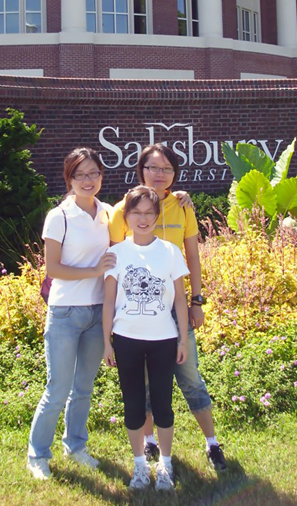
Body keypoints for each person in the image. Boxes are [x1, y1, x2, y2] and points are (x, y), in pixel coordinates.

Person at [109, 144, 227, 471]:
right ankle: (149, 442)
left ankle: (212, 443)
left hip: (175, 308)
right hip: (138, 309)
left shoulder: (183, 207)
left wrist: (197, 300)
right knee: (145, 381)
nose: (159, 174)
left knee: (190, 376)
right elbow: (114, 262)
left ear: (174, 174)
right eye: (152, 168)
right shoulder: (123, 210)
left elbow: (193, 258)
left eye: (166, 169)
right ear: (141, 171)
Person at [27, 147, 116, 480]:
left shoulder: (108, 213)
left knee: (83, 388)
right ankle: (37, 455)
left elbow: (144, 206)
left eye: (94, 173)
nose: (88, 180)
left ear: (102, 175)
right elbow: (53, 268)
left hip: (97, 312)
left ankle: (76, 446)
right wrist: (94, 271)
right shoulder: (59, 216)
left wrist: (178, 196)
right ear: (69, 179)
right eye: (80, 174)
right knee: (57, 389)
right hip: (64, 312)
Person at [103, 185, 189, 491]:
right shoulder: (116, 254)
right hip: (126, 339)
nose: (143, 219)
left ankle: (165, 464)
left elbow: (181, 299)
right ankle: (140, 465)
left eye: (149, 213)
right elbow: (109, 301)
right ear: (126, 216)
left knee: (163, 404)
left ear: (157, 216)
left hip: (163, 340)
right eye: (136, 213)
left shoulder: (170, 252)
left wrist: (182, 339)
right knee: (133, 405)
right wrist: (106, 341)